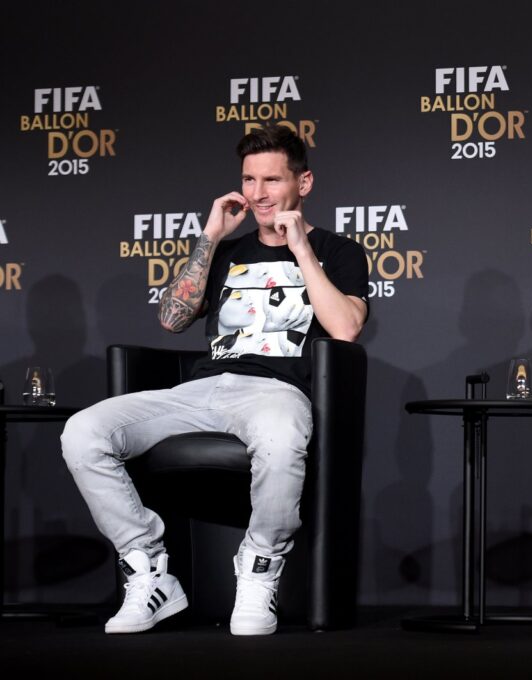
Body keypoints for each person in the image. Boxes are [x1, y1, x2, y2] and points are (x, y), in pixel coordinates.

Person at [62, 125, 369, 636]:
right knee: (84, 431)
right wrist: (209, 237)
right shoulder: (226, 250)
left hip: (277, 391)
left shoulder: (338, 252)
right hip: (202, 389)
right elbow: (172, 319)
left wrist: (301, 250)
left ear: (304, 183)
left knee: (281, 438)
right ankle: (149, 571)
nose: (258, 193)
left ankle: (258, 572)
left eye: (272, 180)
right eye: (249, 180)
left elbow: (345, 328)